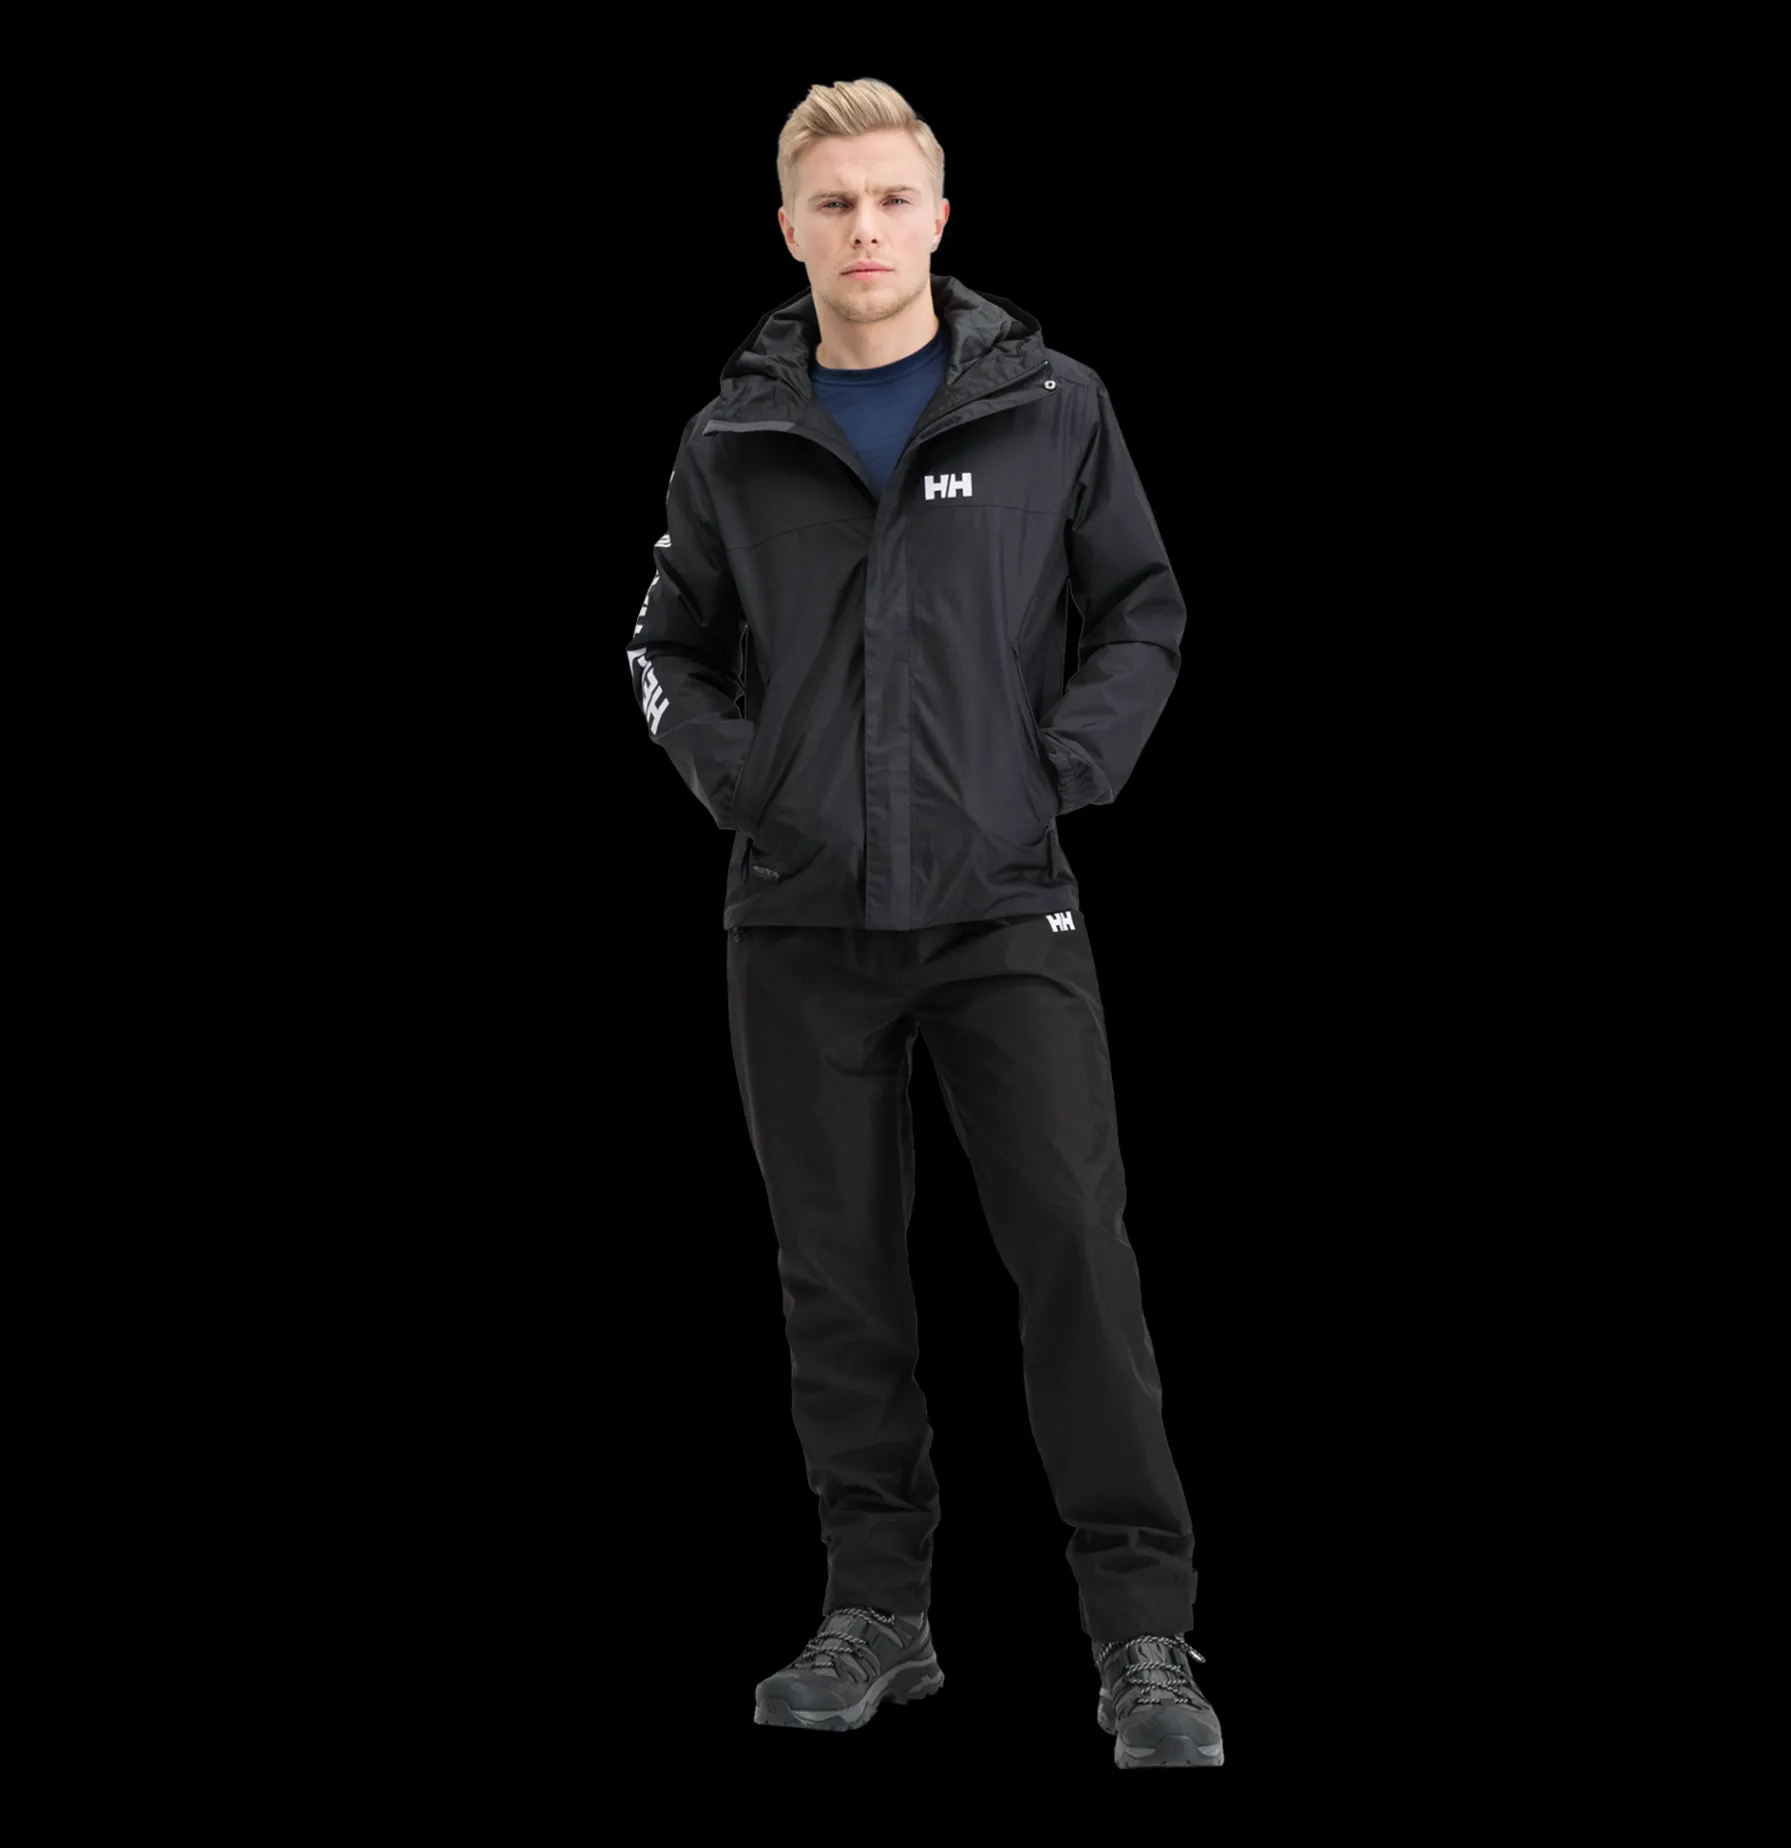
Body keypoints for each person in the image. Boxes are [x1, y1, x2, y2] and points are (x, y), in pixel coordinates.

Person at [627, 77, 1221, 1770]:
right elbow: (666, 645)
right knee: (838, 1276)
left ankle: (1141, 1632)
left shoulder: (1052, 405)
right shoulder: (733, 437)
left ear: (940, 219)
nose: (866, 229)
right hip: (796, 920)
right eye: (834, 204)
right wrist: (750, 786)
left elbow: (1143, 611)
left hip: (1003, 904)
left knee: (1075, 1253)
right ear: (791, 230)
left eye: (893, 199)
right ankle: (877, 1611)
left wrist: (1059, 773)